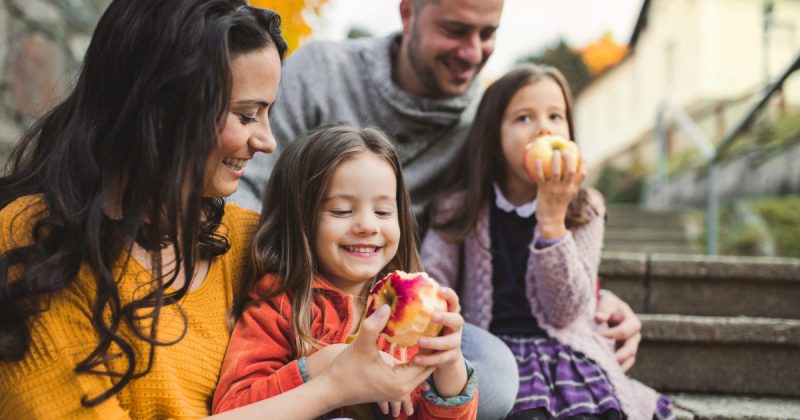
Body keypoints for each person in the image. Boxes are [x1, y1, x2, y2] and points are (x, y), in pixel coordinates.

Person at [0, 1, 444, 418]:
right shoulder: (34, 246)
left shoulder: (250, 238)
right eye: (247, 115)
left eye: (268, 113)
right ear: (164, 110)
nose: (267, 141)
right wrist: (328, 385)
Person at [232, 0, 644, 417]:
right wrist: (266, 287)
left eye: (487, 34)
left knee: (494, 374)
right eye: (455, 29)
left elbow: (511, 227)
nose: (472, 51)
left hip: (392, 296)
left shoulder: (482, 126)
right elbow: (243, 183)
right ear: (408, 14)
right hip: (300, 288)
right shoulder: (322, 72)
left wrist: (594, 296)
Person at [419, 64, 673, 419]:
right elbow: (431, 285)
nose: (544, 128)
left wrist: (553, 219)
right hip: (493, 352)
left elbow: (565, 309)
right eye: (524, 118)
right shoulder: (460, 207)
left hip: (565, 353)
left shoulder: (585, 207)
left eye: (556, 116)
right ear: (493, 137)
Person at [212, 126, 478, 419]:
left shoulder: (413, 315)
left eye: (383, 212)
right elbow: (234, 407)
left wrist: (449, 366)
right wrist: (323, 365)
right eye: (341, 211)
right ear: (300, 219)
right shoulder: (280, 301)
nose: (368, 225)